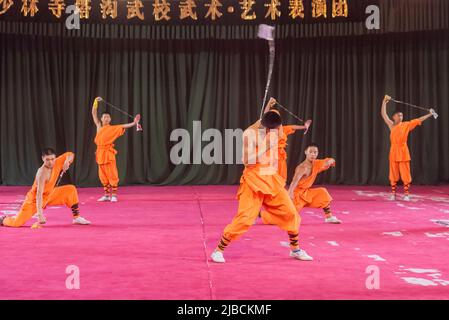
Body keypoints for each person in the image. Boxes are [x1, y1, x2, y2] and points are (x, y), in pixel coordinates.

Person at [210, 98, 313, 263]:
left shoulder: (272, 129)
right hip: (253, 181)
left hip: (271, 179)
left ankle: (295, 249)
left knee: (291, 213)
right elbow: (247, 161)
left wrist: (269, 106)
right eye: (274, 128)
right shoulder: (248, 135)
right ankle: (218, 250)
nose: (277, 130)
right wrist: (265, 147)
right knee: (245, 218)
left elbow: (268, 118)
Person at [0, 148, 90, 228]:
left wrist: (67, 161)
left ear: (55, 158)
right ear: (43, 159)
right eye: (47, 160)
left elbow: (70, 154)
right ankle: (3, 219)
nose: (51, 162)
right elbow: (39, 195)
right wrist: (40, 214)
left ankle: (76, 217)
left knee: (70, 189)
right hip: (34, 201)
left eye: (52, 159)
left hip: (50, 195)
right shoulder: (41, 173)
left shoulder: (57, 162)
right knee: (17, 223)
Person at [271, 143, 342, 225]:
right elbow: (294, 181)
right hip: (297, 195)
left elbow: (326, 161)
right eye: (310, 152)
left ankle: (329, 217)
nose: (313, 154)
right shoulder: (302, 168)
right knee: (286, 218)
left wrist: (331, 161)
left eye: (315, 152)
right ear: (306, 152)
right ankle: (266, 215)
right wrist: (290, 193)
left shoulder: (316, 163)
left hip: (306, 193)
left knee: (322, 192)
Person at [381, 95, 435, 201]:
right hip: (394, 152)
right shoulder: (391, 125)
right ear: (394, 117)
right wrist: (384, 102)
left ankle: (406, 194)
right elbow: (383, 114)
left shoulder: (406, 125)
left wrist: (430, 114)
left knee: (405, 173)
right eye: (398, 115)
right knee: (393, 173)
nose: (400, 117)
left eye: (401, 115)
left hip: (403, 151)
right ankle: (393, 193)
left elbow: (419, 120)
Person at [92, 97, 140, 202]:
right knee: (102, 175)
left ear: (110, 119)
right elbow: (94, 113)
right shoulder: (99, 126)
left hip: (108, 153)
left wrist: (134, 122)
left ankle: (114, 195)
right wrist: (95, 102)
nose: (106, 118)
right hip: (100, 153)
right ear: (101, 118)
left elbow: (125, 126)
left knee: (112, 174)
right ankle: (106, 195)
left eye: (108, 117)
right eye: (104, 117)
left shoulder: (113, 128)